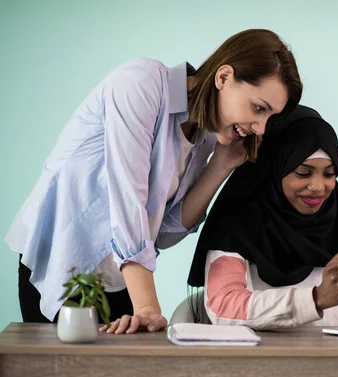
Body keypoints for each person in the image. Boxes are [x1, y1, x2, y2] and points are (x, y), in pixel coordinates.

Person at [5, 28, 302, 334]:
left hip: (121, 279)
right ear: (224, 77)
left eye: (270, 117)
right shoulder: (140, 84)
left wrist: (222, 164)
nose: (261, 128)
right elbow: (127, 204)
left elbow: (162, 234)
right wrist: (147, 307)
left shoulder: (205, 137)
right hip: (66, 262)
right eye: (258, 108)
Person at [188, 106, 338, 329]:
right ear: (273, 169)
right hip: (261, 363)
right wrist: (315, 299)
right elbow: (223, 306)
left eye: (329, 174)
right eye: (303, 173)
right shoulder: (235, 228)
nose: (318, 186)